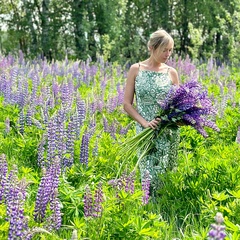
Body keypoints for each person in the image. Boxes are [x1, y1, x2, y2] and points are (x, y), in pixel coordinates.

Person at [123, 29, 180, 199]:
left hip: (167, 133)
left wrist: (183, 118)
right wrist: (144, 123)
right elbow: (127, 104)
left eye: (170, 50)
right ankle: (148, 212)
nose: (168, 54)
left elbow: (179, 104)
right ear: (152, 47)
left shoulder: (171, 72)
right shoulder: (136, 69)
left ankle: (165, 217)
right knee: (147, 177)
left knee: (164, 179)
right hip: (145, 132)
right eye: (164, 50)